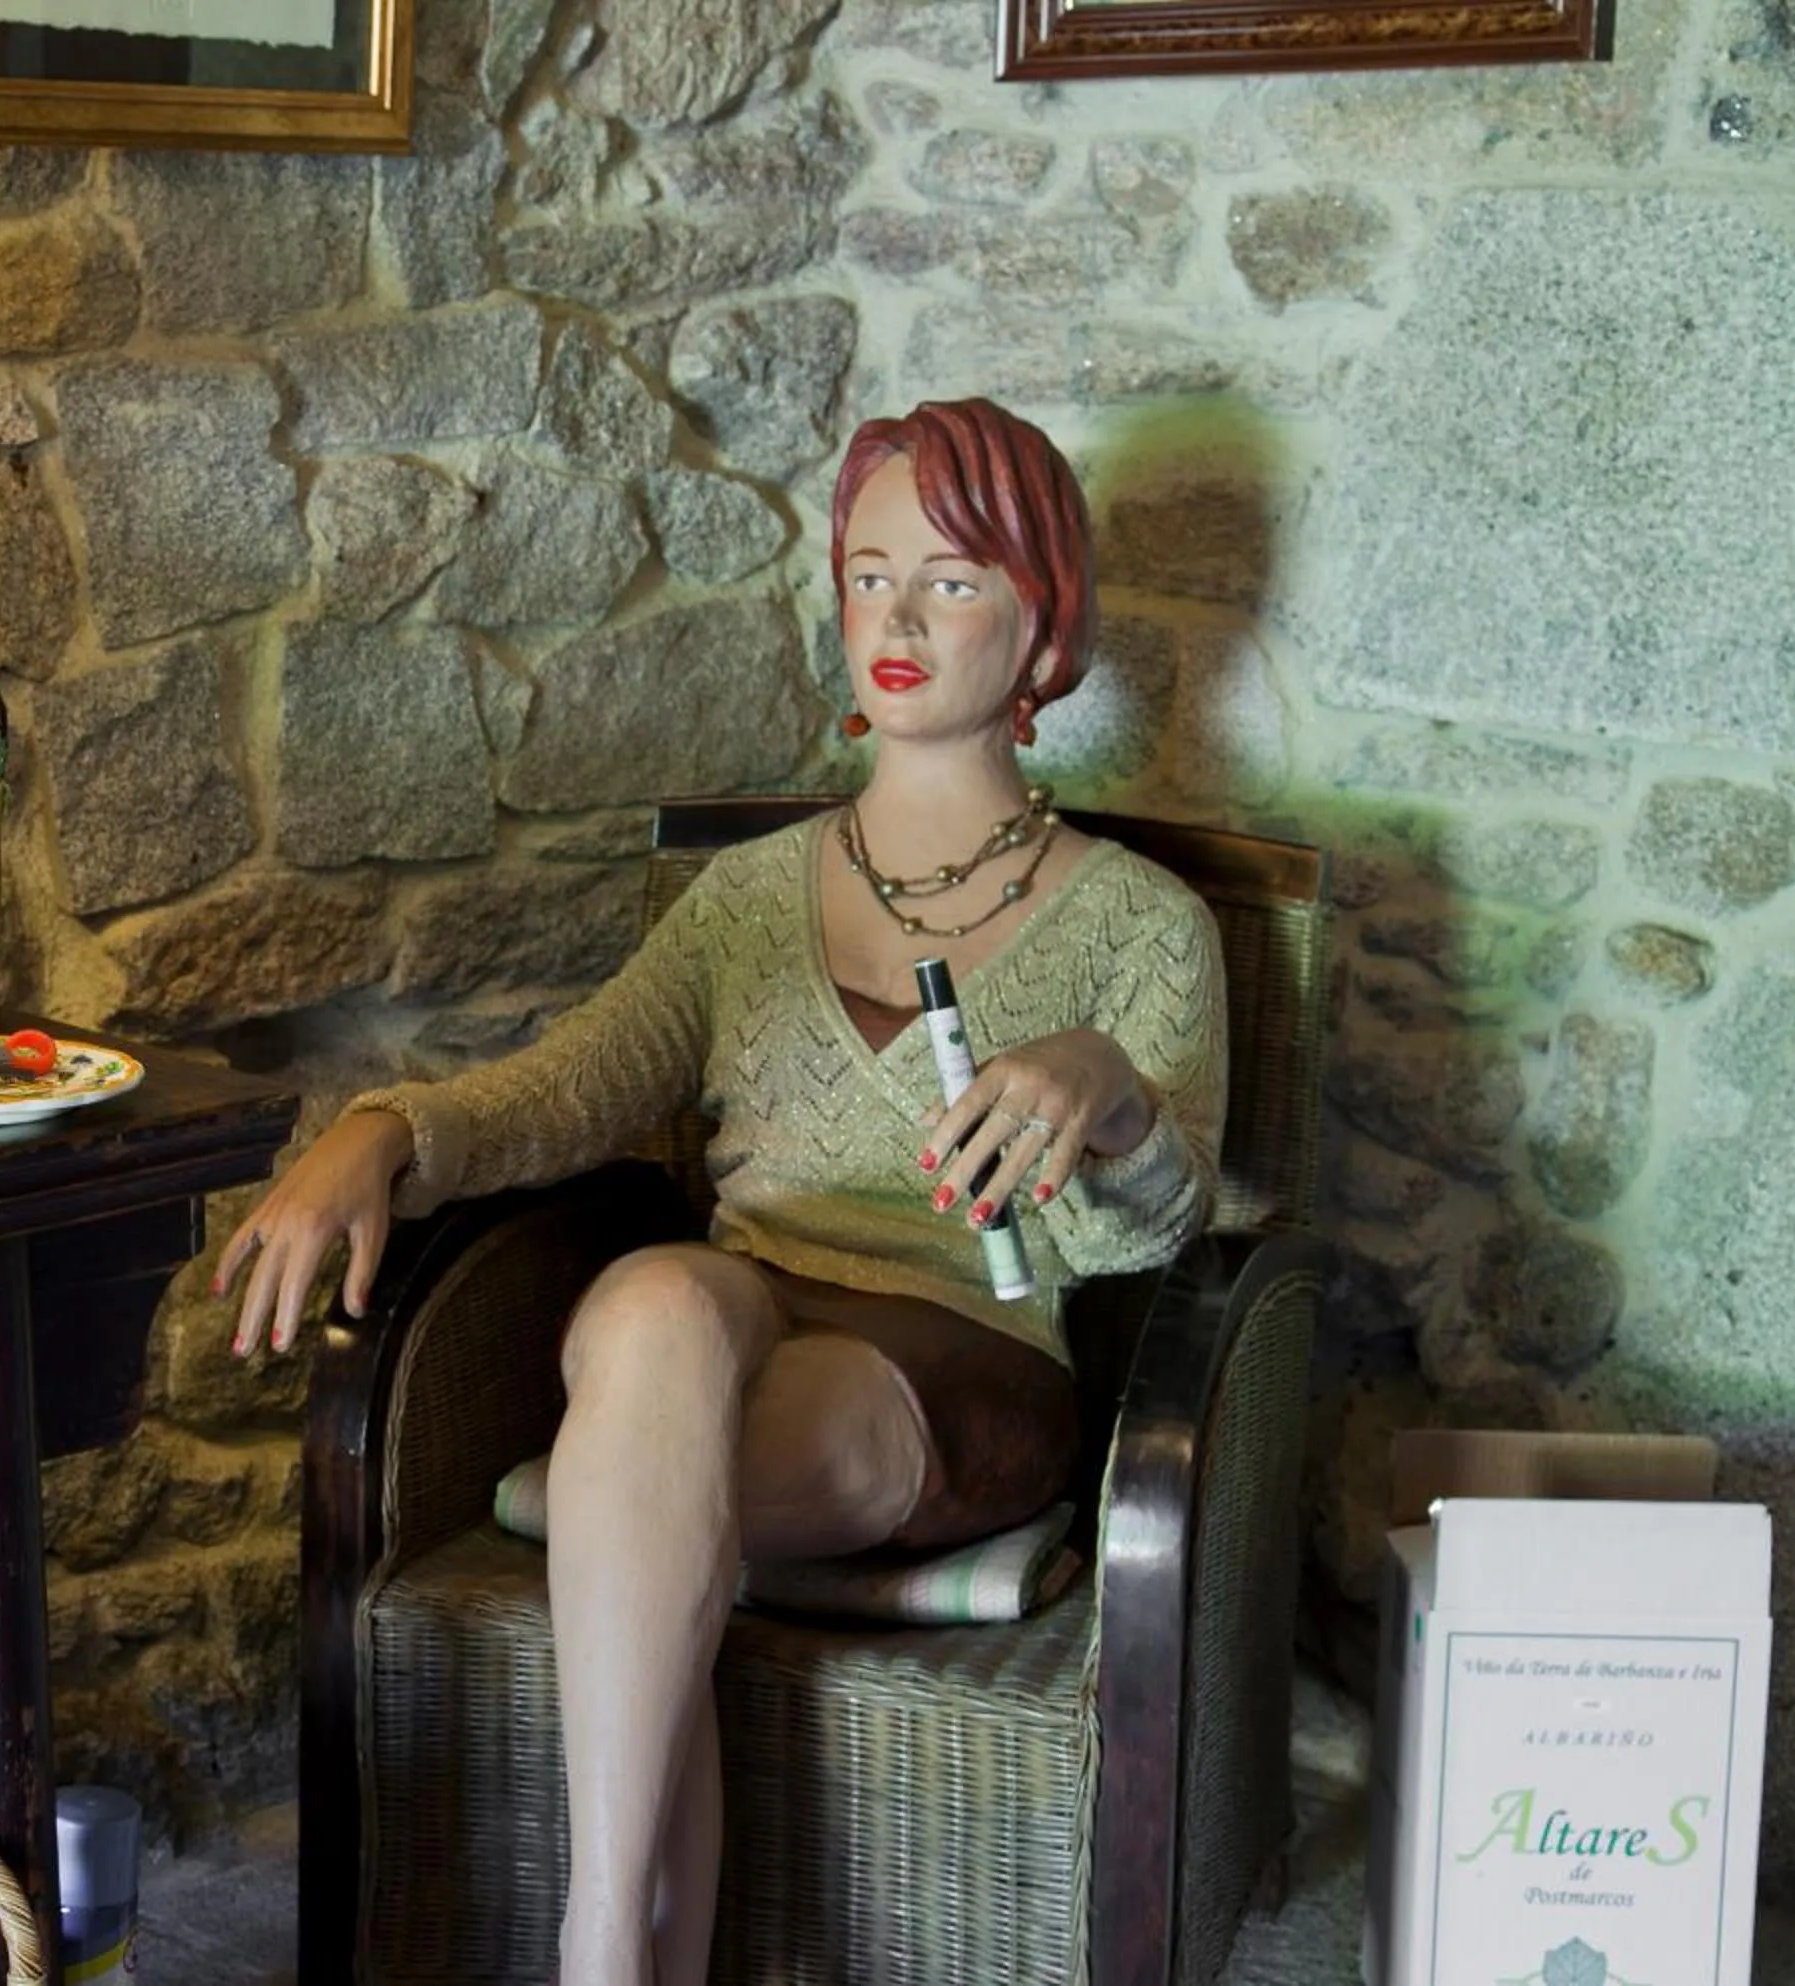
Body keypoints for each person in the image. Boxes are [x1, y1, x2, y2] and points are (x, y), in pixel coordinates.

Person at [217, 397, 1226, 1986]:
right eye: (870, 576)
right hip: (731, 1324)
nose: (897, 620)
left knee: (636, 1487)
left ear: (1044, 624)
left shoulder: (1149, 924)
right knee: (656, 1299)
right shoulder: (747, 898)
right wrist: (386, 1131)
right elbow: (573, 1083)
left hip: (964, 1365)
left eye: (953, 581)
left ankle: (602, 1932)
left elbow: (1169, 1222)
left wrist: (1104, 1086)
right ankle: (612, 1946)